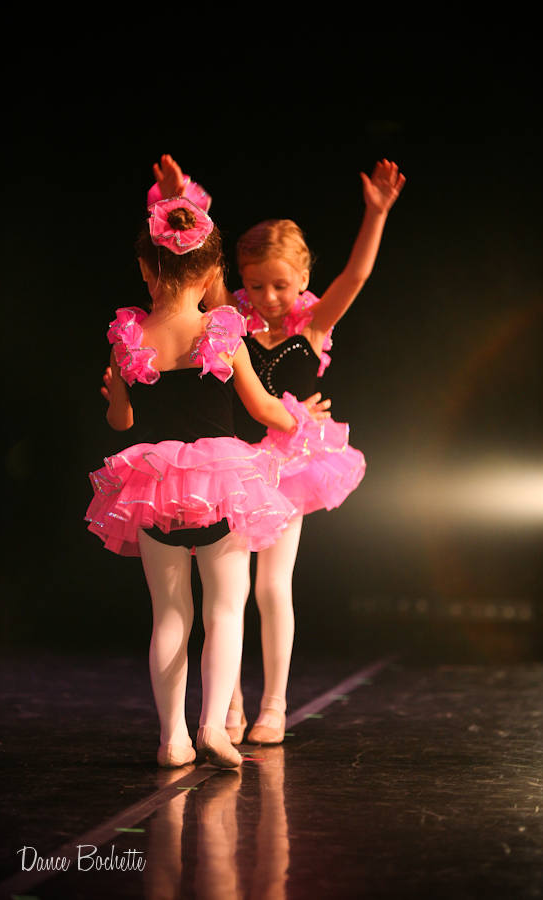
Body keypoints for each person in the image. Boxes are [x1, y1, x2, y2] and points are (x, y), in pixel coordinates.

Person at [116, 154, 405, 747]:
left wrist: (375, 214)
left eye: (280, 285)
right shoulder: (231, 319)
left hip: (287, 464)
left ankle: (273, 703)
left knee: (271, 588)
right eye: (255, 285)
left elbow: (355, 276)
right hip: (233, 466)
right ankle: (229, 707)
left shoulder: (313, 323)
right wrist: (181, 198)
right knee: (230, 592)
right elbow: (194, 265)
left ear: (302, 279)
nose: (268, 297)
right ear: (239, 282)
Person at [87, 195, 329, 769]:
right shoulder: (222, 332)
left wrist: (115, 395)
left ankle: (172, 738)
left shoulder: (129, 338)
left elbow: (122, 422)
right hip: (221, 485)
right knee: (225, 609)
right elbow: (263, 408)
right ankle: (214, 728)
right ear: (212, 272)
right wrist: (300, 420)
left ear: (146, 269)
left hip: (154, 489)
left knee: (170, 614)